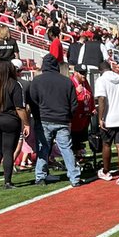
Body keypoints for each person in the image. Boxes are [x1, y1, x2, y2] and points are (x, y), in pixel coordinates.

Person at [27, 53, 81, 187]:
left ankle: (40, 176)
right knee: (66, 149)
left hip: (44, 119)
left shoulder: (37, 81)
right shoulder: (66, 81)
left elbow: (32, 101)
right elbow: (74, 103)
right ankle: (74, 177)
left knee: (43, 149)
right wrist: (68, 116)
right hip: (62, 119)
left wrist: (37, 117)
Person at [0, 60, 29, 189]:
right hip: (10, 119)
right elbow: (20, 108)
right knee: (8, 151)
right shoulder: (14, 85)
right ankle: (7, 182)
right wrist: (26, 124)